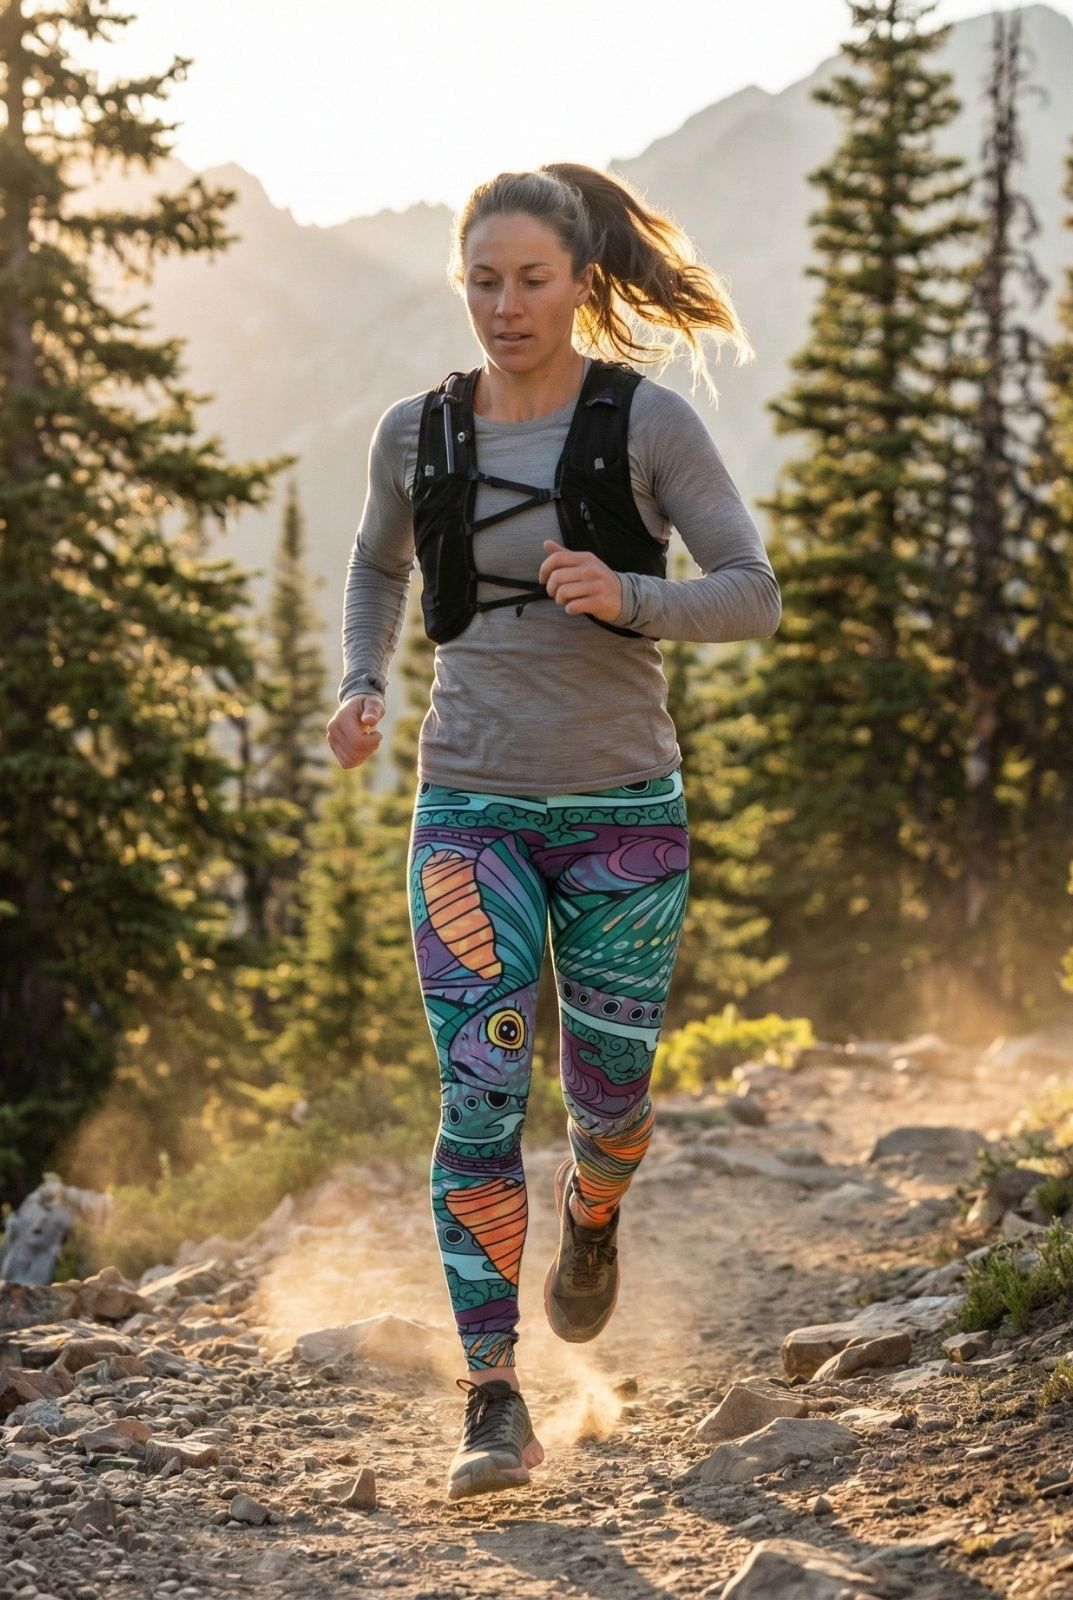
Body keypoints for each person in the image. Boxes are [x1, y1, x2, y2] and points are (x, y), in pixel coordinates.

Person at [325, 162, 781, 1502]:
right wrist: (360, 683)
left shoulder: (647, 426)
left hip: (621, 815)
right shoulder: (417, 432)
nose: (504, 307)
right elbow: (373, 563)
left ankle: (593, 1217)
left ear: (581, 282)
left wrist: (633, 595)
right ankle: (491, 1400)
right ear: (458, 282)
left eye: (530, 281)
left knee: (611, 1103)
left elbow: (750, 594)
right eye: (481, 281)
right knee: (479, 1089)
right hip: (467, 804)